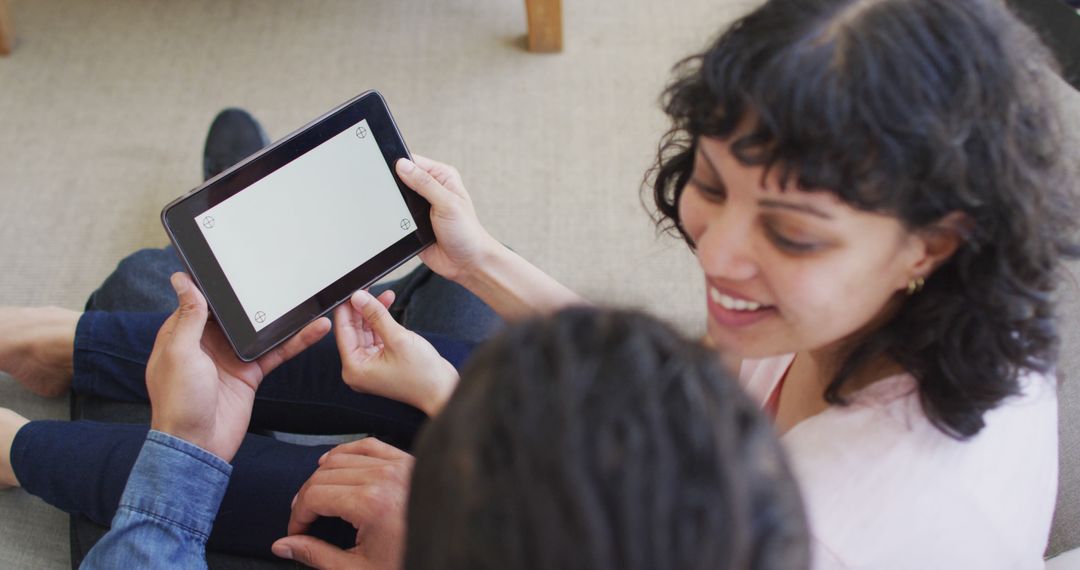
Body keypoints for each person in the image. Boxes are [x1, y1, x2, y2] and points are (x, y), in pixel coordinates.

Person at [1, 0, 1077, 566]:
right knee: (422, 342)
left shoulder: (832, 536)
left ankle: (18, 445)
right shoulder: (893, 313)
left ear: (935, 243)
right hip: (635, 499)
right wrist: (476, 266)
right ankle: (61, 339)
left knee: (307, 470)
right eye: (709, 185)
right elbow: (670, 391)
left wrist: (443, 547)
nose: (716, 257)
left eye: (790, 235)